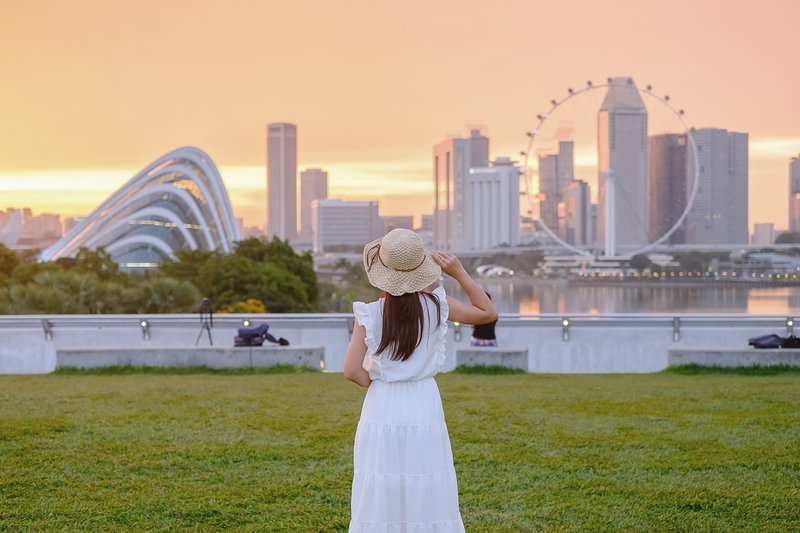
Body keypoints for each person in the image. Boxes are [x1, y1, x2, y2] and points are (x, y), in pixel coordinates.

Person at [343, 229, 498, 532]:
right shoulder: (438, 305)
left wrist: (377, 381)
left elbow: (351, 370)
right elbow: (487, 313)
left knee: (381, 477)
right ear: (420, 268)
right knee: (426, 475)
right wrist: (460, 273)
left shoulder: (369, 314)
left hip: (383, 403)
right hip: (423, 402)